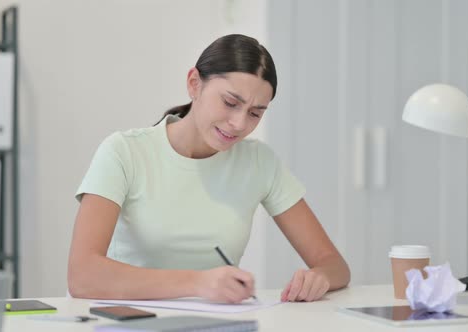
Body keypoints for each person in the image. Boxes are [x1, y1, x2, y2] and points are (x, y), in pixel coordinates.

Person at [68, 34, 350, 303]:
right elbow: (82, 276)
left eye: (255, 113)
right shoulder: (124, 151)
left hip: (217, 324)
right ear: (194, 84)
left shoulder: (259, 162)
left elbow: (335, 264)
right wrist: (197, 283)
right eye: (230, 103)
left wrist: (319, 277)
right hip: (126, 321)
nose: (239, 124)